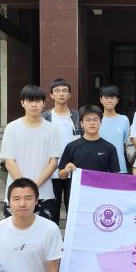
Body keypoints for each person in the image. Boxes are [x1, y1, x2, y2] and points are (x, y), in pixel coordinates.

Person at [0, 85, 62, 225]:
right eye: (29, 100)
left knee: (44, 233)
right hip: (16, 195)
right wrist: (25, 188)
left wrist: (34, 186)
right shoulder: (12, 128)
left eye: (38, 101)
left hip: (44, 194)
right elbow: (9, 161)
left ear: (44, 103)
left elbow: (53, 162)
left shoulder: (52, 129)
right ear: (22, 103)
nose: (34, 104)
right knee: (14, 233)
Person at [41, 78, 82, 217]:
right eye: (57, 91)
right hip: (50, 170)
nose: (61, 94)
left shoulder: (77, 116)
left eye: (65, 91)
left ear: (70, 95)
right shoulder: (44, 117)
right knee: (52, 211)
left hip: (73, 169)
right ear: (51, 95)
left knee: (73, 210)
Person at [58, 105, 120, 182]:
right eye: (88, 120)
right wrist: (66, 170)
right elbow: (61, 176)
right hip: (78, 189)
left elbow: (115, 177)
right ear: (81, 123)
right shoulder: (71, 146)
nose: (92, 123)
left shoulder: (110, 148)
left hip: (100, 188)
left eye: (95, 120)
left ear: (101, 122)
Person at [98, 84, 130, 173]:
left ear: (117, 100)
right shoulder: (96, 120)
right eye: (106, 98)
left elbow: (126, 144)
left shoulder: (124, 119)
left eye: (112, 98)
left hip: (120, 167)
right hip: (99, 167)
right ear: (101, 100)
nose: (109, 101)